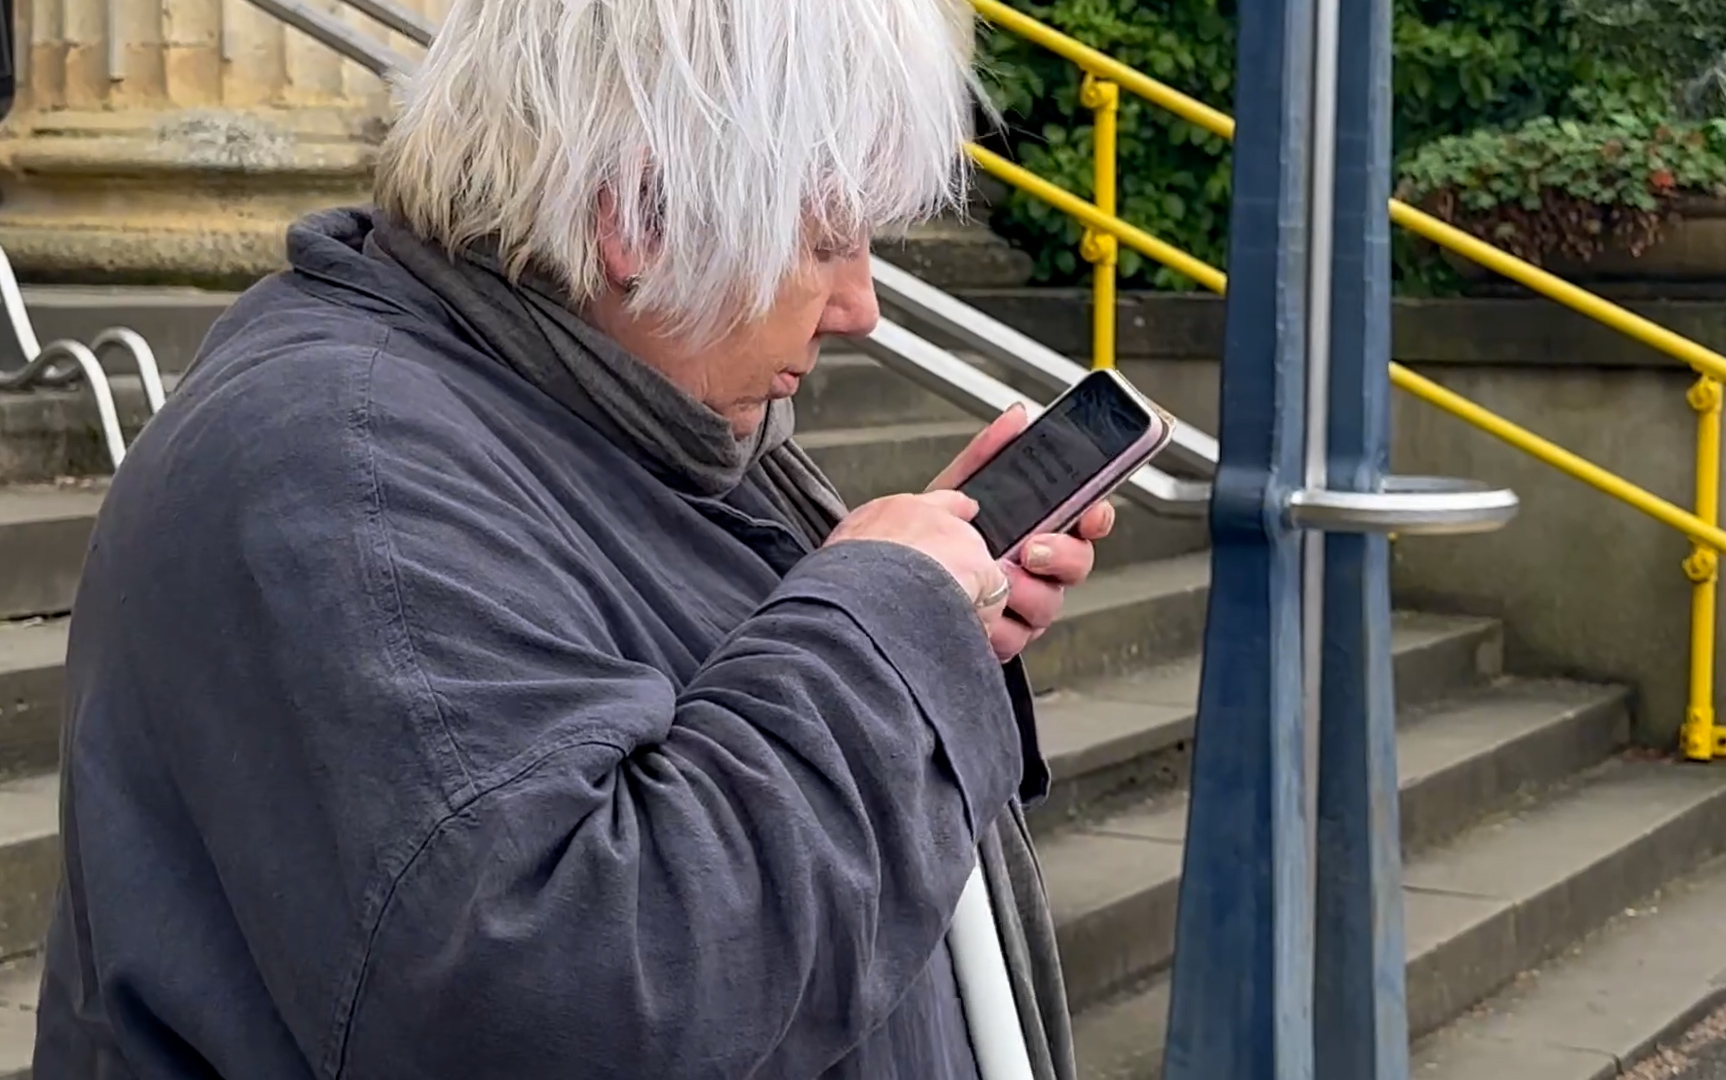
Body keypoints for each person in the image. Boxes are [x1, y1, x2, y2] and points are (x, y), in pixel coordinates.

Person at [32, 0, 1108, 1075]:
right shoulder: (335, 468)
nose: (859, 303)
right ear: (637, 213)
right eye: (827, 238)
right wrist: (878, 639)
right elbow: (590, 991)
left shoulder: (580, 406)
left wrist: (932, 633)